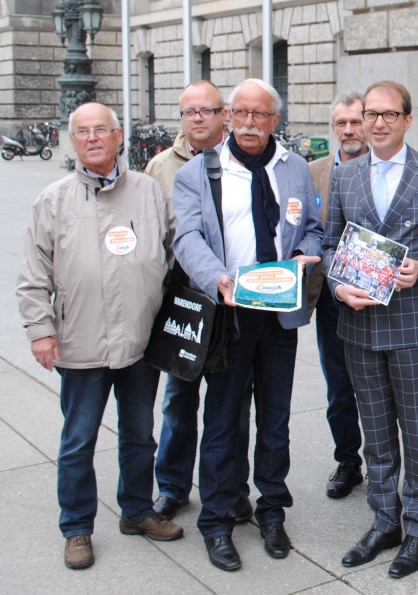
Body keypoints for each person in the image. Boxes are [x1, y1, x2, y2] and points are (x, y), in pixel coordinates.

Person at [16, 102, 183, 570]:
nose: (92, 138)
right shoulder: (53, 199)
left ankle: (135, 511)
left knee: (139, 435)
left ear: (118, 137)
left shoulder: (149, 192)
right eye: (83, 132)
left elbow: (174, 253)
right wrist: (40, 332)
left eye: (101, 130)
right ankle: (77, 527)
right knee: (78, 441)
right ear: (73, 142)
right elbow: (32, 275)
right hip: (80, 343)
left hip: (139, 342)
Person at [173, 78, 322, 571]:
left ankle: (272, 510)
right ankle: (216, 521)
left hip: (279, 315)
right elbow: (188, 236)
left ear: (275, 121)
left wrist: (306, 253)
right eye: (242, 113)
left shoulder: (295, 168)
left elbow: (313, 228)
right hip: (230, 314)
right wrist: (216, 278)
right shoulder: (200, 171)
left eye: (261, 115)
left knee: (275, 419)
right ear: (229, 116)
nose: (250, 123)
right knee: (222, 422)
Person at [323, 80, 418, 579]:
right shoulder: (346, 175)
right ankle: (385, 521)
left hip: (414, 324)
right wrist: (338, 286)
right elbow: (329, 244)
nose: (377, 123)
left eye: (388, 115)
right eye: (370, 115)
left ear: (407, 119)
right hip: (359, 324)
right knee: (377, 434)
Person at [144, 80, 254, 524]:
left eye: (207, 110)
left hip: (232, 302)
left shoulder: (241, 162)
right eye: (189, 112)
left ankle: (233, 487)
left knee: (233, 402)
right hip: (184, 300)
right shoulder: (161, 167)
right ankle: (172, 485)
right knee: (179, 395)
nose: (198, 118)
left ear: (223, 113)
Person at [306, 92, 367, 500]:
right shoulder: (312, 173)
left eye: (356, 121)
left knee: (383, 385)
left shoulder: (382, 168)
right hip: (330, 296)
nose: (348, 129)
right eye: (341, 122)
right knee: (339, 384)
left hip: (379, 296)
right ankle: (348, 459)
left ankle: (388, 457)